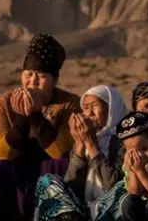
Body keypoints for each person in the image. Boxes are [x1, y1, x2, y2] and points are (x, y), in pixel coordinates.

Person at [0, 34, 80, 221]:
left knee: (63, 166)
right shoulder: (4, 104)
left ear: (54, 79)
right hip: (18, 166)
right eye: (28, 74)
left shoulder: (70, 104)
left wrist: (35, 116)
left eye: (41, 76)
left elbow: (60, 151)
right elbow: (3, 152)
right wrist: (22, 115)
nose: (32, 82)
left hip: (50, 167)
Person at [34, 85, 130, 221]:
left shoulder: (125, 140)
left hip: (110, 207)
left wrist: (92, 145)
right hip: (82, 208)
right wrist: (79, 144)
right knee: (46, 181)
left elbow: (112, 185)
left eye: (94, 105)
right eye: (85, 108)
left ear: (111, 109)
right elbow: (72, 185)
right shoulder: (84, 138)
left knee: (123, 191)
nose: (89, 113)